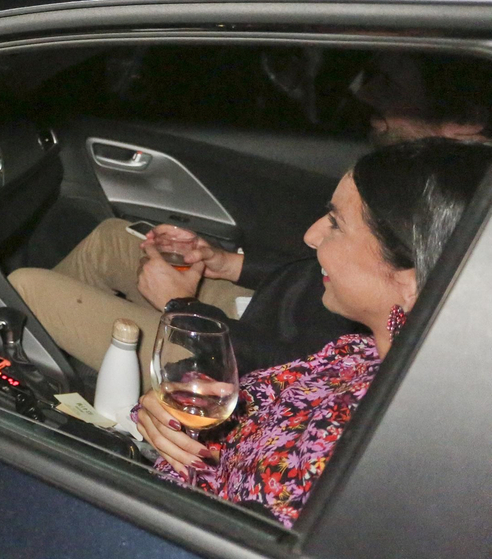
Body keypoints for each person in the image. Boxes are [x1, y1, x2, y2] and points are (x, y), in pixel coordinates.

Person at [10, 51, 492, 378]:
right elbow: (320, 270)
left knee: (27, 288)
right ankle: (59, 365)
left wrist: (183, 310)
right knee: (116, 236)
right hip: (263, 319)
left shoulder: (450, 220)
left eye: (387, 82)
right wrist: (229, 263)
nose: (363, 93)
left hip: (244, 357)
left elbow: (298, 365)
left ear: (463, 120)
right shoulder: (403, 201)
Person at [133, 137, 492, 527]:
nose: (311, 235)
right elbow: (237, 400)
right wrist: (170, 410)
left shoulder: (382, 444)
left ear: (414, 278)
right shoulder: (357, 355)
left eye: (336, 224)